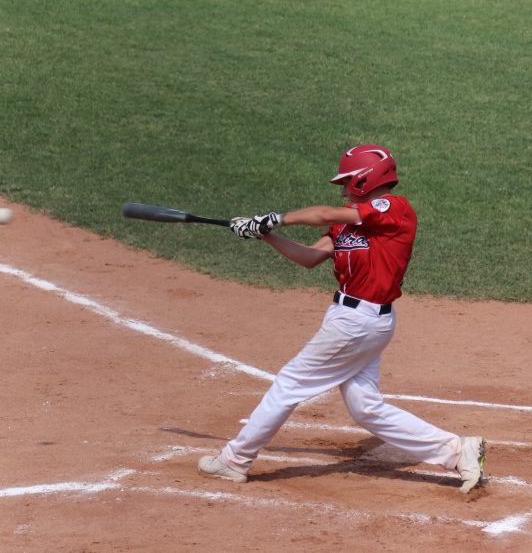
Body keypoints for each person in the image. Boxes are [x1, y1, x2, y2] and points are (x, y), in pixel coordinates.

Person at [197, 144, 486, 494]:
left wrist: (278, 217)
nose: (343, 188)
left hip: (357, 323)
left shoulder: (393, 208)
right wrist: (267, 235)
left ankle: (234, 460)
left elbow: (321, 214)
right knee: (365, 408)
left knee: (289, 385)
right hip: (356, 321)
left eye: (348, 181)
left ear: (367, 178)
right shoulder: (350, 221)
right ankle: (457, 451)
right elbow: (310, 257)